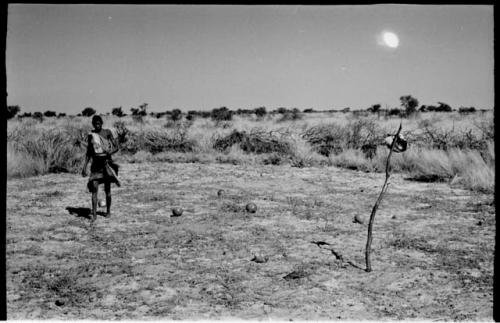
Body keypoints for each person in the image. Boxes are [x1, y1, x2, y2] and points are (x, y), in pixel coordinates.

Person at [82, 115, 120, 221]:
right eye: (95, 123)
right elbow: (89, 152)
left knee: (107, 189)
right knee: (94, 189)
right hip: (95, 165)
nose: (97, 125)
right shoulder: (91, 135)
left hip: (106, 163)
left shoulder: (107, 132)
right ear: (93, 124)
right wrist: (85, 166)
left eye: (99, 123)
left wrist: (110, 151)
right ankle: (94, 214)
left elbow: (116, 147)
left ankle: (108, 211)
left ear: (101, 123)